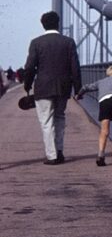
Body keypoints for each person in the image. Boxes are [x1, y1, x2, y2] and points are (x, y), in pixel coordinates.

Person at [23, 11, 82, 165]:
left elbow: (29, 67)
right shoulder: (68, 42)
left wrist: (27, 84)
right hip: (63, 87)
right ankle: (60, 150)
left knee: (46, 121)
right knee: (60, 118)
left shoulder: (36, 43)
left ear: (43, 25)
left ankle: (52, 155)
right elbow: (75, 67)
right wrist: (78, 88)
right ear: (58, 23)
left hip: (43, 88)